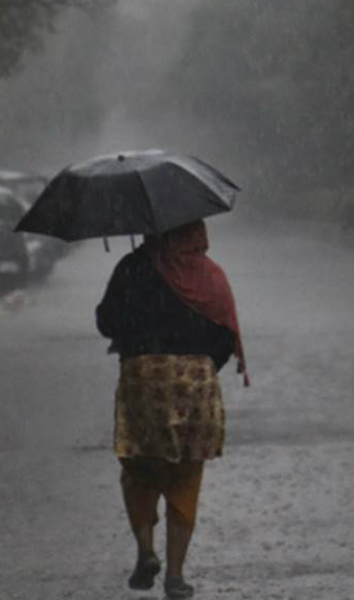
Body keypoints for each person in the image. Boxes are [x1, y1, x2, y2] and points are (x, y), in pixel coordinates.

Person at [96, 220, 248, 599]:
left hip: (142, 378)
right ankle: (175, 576)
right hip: (195, 382)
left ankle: (146, 551)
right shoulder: (209, 275)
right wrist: (199, 364)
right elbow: (226, 334)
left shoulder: (133, 268)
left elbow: (106, 321)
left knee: (139, 467)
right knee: (185, 477)